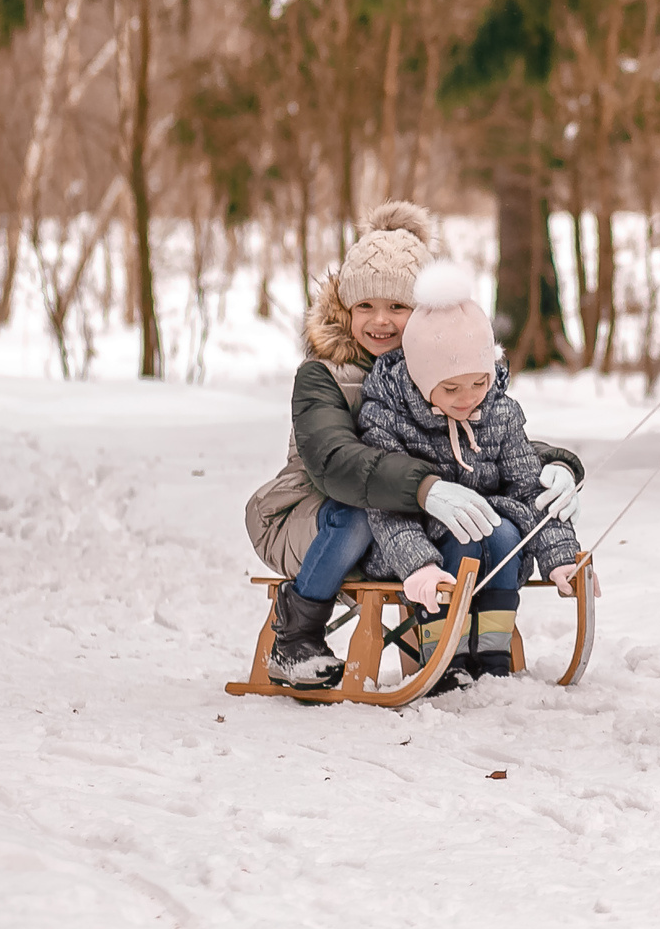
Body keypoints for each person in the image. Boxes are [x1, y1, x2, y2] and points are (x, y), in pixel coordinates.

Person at [241, 203, 584, 689]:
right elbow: (337, 462)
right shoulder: (322, 376)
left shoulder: (434, 370)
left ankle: (470, 647)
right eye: (365, 307)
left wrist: (557, 465)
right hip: (309, 513)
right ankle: (297, 637)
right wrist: (426, 489)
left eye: (397, 307)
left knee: (477, 523)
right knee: (359, 511)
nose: (380, 321)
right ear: (345, 308)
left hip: (402, 518)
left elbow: (484, 436)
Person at [358, 261, 586, 691]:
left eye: (479, 383)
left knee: (501, 533)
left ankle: (491, 651)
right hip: (413, 546)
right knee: (464, 535)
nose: (467, 399)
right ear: (423, 380)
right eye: (451, 389)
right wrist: (419, 565)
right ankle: (444, 650)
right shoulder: (387, 420)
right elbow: (385, 506)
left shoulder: (499, 411)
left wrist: (559, 559)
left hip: (488, 540)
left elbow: (529, 491)